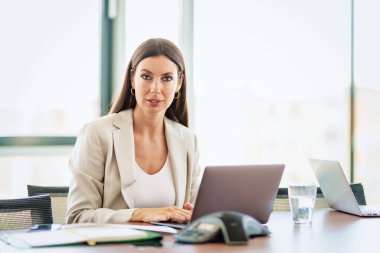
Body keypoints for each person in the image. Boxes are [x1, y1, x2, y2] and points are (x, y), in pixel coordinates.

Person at [66, 38, 201, 224]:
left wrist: (198, 216)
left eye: (167, 78)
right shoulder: (97, 133)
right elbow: (78, 216)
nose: (155, 89)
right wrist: (138, 214)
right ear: (132, 79)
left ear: (179, 83)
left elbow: (192, 211)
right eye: (146, 77)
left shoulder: (187, 140)